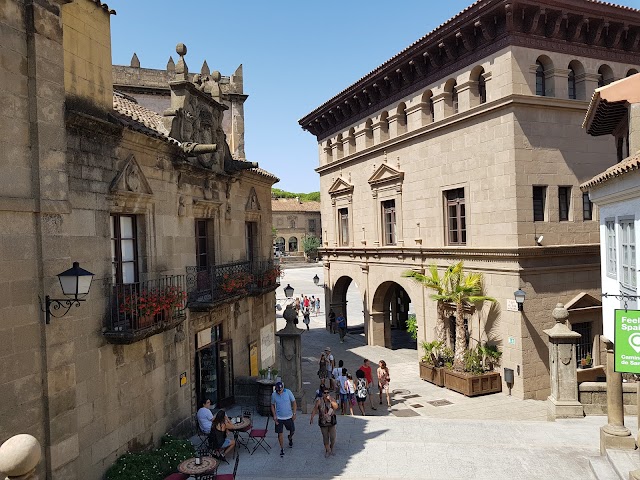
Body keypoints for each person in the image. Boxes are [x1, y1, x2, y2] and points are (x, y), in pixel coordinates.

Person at [310, 387, 338, 458]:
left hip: (331, 421)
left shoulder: (332, 399)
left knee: (332, 437)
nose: (326, 394)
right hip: (323, 421)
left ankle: (331, 447)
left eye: (327, 393)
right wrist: (312, 417)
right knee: (325, 437)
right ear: (322, 394)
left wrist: (330, 400)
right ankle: (328, 450)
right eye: (324, 393)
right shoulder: (319, 401)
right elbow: (315, 409)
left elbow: (336, 407)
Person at [271, 381, 297, 457]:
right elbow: (272, 405)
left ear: (283, 388)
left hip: (289, 416)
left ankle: (290, 437)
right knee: (280, 434)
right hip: (279, 417)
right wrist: (274, 415)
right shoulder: (274, 395)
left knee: (292, 430)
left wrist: (294, 413)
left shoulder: (288, 392)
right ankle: (282, 448)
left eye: (280, 390)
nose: (278, 392)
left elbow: (294, 402)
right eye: (277, 390)